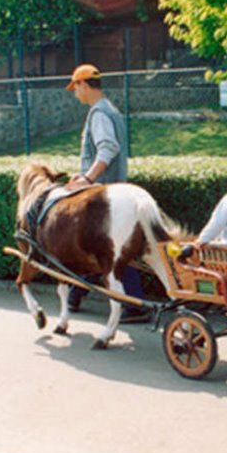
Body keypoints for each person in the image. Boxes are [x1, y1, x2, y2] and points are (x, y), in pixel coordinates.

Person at [63, 64, 146, 321]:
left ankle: (132, 304)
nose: (75, 94)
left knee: (95, 249)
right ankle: (75, 296)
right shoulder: (111, 110)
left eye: (75, 88)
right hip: (114, 191)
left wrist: (87, 178)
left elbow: (107, 148)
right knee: (105, 250)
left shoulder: (98, 114)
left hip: (101, 196)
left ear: (84, 85)